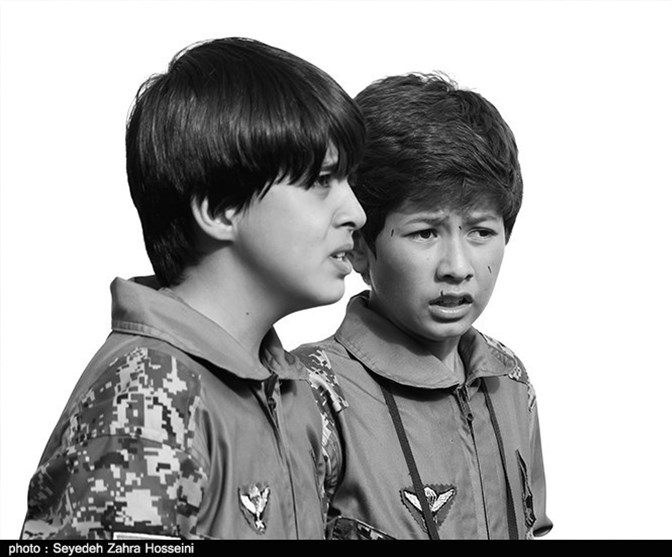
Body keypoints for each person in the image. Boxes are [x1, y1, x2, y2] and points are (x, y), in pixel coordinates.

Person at [21, 37, 366, 540]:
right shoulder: (148, 398)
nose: (355, 212)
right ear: (220, 209)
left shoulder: (293, 393)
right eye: (321, 181)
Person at [293, 73, 553, 540]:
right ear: (358, 247)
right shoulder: (310, 393)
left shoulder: (509, 379)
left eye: (481, 231)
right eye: (425, 233)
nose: (457, 267)